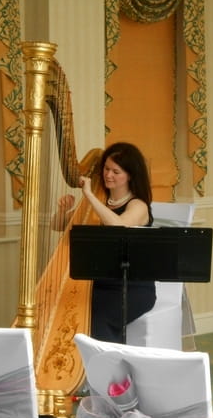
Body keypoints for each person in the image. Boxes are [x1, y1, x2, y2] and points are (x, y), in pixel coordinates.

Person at [53, 142, 157, 343]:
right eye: (106, 169)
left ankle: (113, 373)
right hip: (99, 285)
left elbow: (118, 227)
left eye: (116, 171)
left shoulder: (138, 205)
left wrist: (90, 196)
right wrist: (62, 210)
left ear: (130, 175)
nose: (108, 175)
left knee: (98, 317)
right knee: (66, 309)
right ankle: (83, 369)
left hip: (131, 289)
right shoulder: (98, 203)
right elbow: (57, 225)